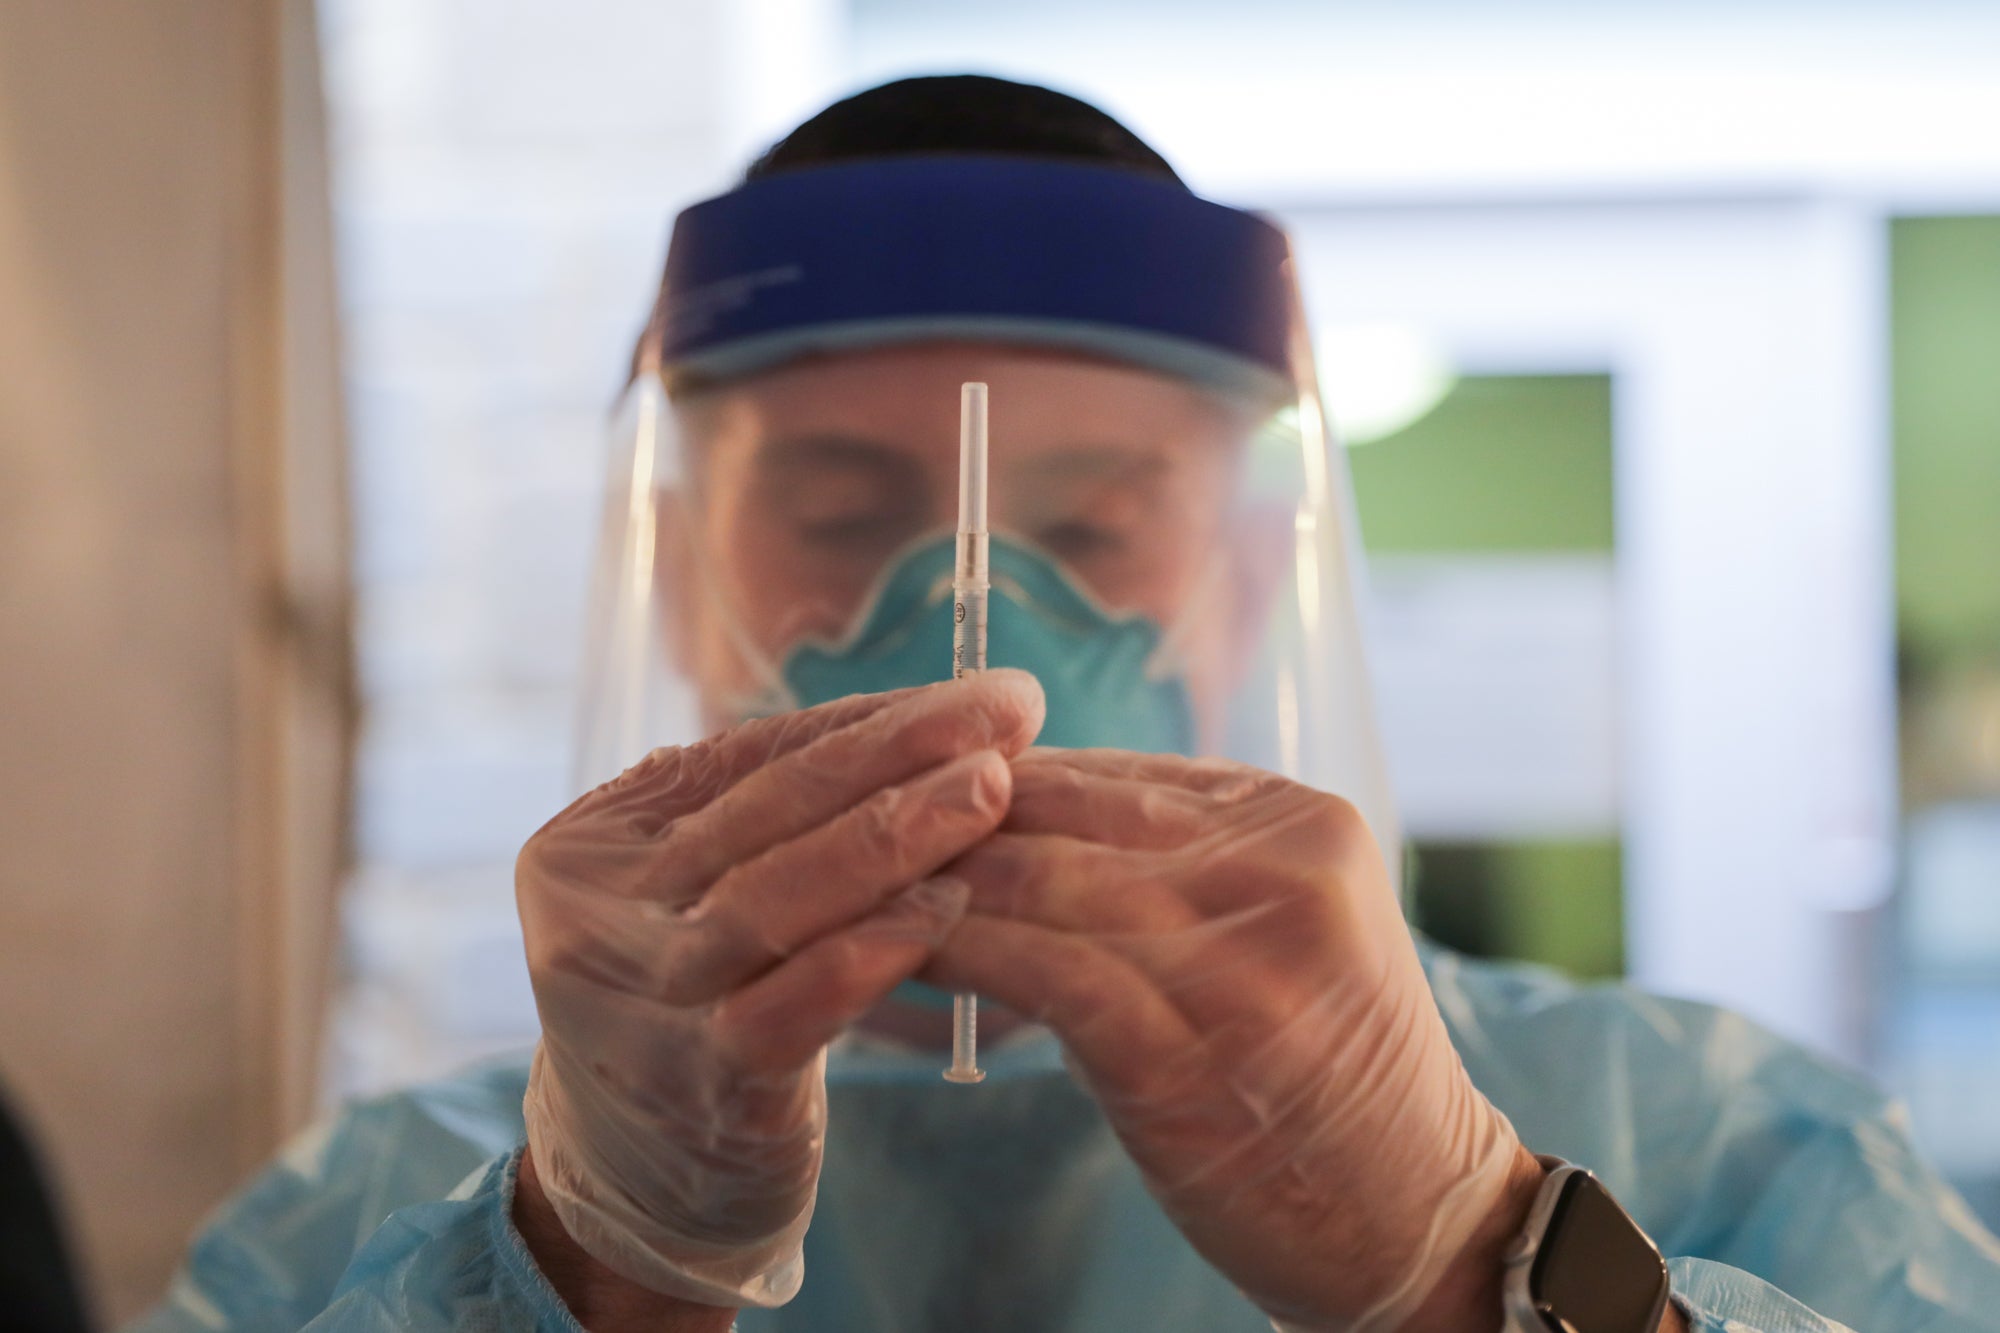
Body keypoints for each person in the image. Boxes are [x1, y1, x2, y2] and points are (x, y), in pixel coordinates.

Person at [133, 76, 2000, 1333]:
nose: (968, 613)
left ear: (1256, 574)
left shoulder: (1712, 1139)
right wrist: (588, 1263)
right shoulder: (374, 1213)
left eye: (1096, 524)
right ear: (688, 571)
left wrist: (1473, 1256)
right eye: (843, 517)